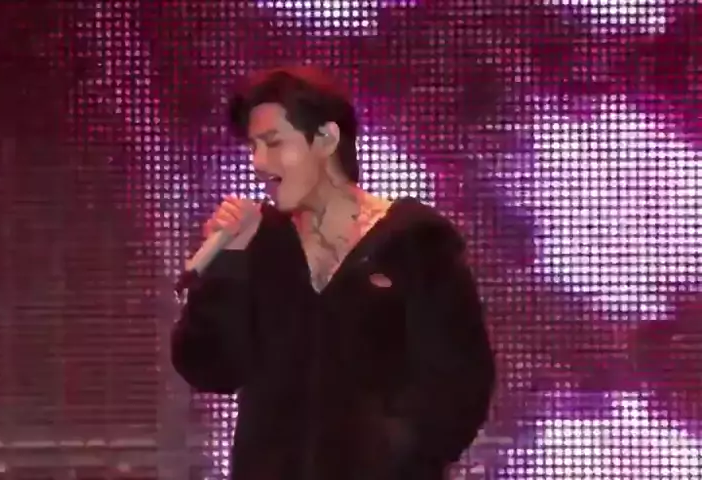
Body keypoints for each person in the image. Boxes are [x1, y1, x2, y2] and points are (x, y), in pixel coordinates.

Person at [171, 65, 496, 480]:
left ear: (326, 139)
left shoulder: (414, 241)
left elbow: (461, 383)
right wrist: (227, 267)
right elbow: (209, 368)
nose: (259, 163)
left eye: (273, 143)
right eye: (253, 147)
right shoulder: (257, 244)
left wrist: (396, 458)